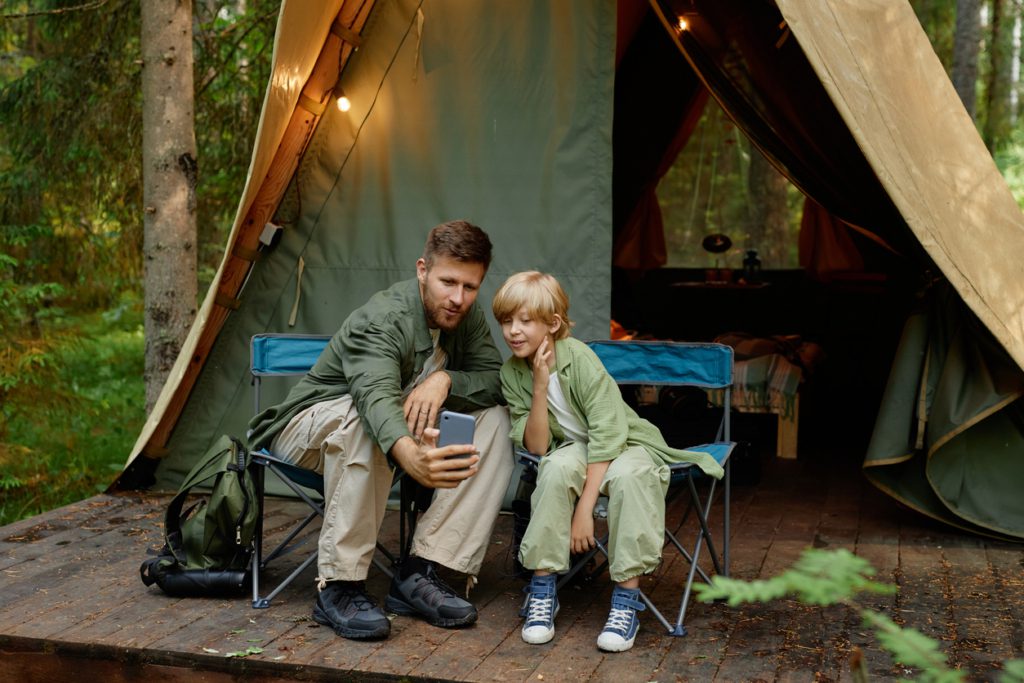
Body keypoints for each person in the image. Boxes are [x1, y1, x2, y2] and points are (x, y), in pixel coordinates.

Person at [248, 220, 514, 641]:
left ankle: (425, 571)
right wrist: (412, 458)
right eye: (448, 282)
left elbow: (495, 379)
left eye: (470, 286)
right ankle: (339, 587)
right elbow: (374, 400)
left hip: (389, 428)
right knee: (364, 420)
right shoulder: (383, 318)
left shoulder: (465, 316)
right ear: (423, 269)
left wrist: (445, 381)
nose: (458, 298)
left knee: (496, 420)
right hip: (308, 427)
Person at [491, 271, 724, 652]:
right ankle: (543, 589)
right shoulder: (512, 373)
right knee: (554, 469)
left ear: (552, 323)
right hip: (572, 448)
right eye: (506, 320)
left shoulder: (580, 358)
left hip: (624, 442)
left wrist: (584, 510)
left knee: (633, 475)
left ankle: (625, 601)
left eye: (525, 320)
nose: (513, 331)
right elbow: (537, 446)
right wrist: (538, 386)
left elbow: (608, 433)